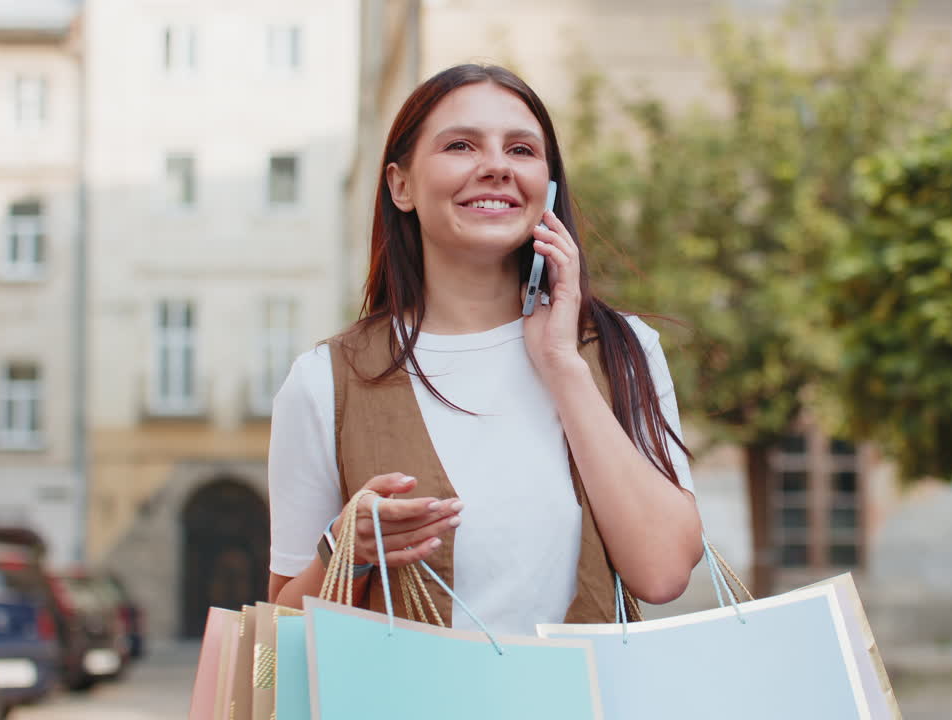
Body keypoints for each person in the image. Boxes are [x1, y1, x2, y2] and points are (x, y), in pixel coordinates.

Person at [266, 64, 703, 634]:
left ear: (547, 185)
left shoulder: (623, 350)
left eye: (521, 149)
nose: (496, 166)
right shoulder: (326, 381)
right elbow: (278, 631)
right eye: (460, 145)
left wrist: (563, 366)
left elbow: (664, 574)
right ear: (401, 186)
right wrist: (343, 549)